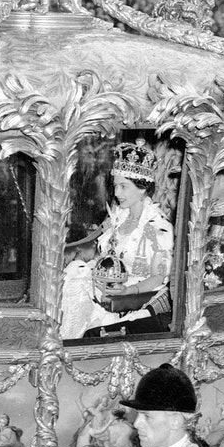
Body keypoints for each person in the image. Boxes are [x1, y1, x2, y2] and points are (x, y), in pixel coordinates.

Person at [60, 139, 174, 339]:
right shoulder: (117, 219)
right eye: (115, 186)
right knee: (72, 277)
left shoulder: (158, 228)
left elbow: (158, 277)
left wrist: (128, 290)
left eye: (124, 186)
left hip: (132, 299)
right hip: (102, 290)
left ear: (142, 188)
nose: (117, 193)